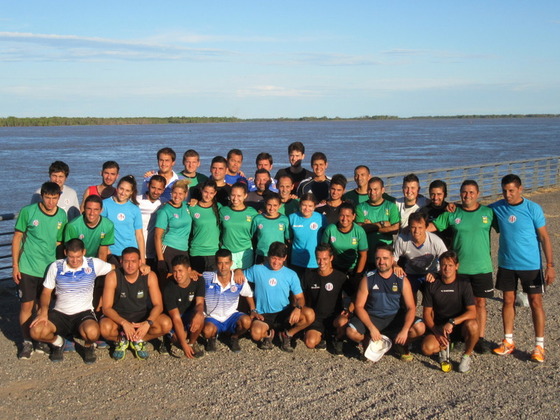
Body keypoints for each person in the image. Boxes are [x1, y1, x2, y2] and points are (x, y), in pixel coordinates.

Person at [489, 174, 555, 362]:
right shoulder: (497, 207)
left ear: (520, 189)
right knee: (507, 300)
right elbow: (477, 211)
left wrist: (550, 266)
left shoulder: (533, 208)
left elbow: (544, 237)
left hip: (531, 264)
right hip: (507, 263)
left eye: (511, 190)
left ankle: (539, 346)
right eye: (504, 190)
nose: (507, 194)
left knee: (536, 303)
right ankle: (508, 341)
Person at [430, 180, 494, 354]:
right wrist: (409, 231)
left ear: (478, 194)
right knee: (461, 304)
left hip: (482, 266)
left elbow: (508, 228)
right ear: (460, 194)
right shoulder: (453, 212)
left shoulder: (488, 212)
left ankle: (479, 338)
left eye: (472, 192)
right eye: (464, 192)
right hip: (460, 268)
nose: (468, 195)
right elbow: (431, 227)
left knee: (480, 303)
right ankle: (460, 337)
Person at [29, 239, 114, 364]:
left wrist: (141, 266)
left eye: (78, 257)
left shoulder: (93, 264)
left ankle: (88, 346)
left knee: (93, 332)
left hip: (83, 313)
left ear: (84, 252)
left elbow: (116, 268)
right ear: (65, 253)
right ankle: (58, 343)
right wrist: (43, 312)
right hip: (60, 313)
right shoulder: (56, 266)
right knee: (36, 331)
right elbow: (46, 292)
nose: (75, 261)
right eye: (71, 257)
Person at [13, 181, 68, 359]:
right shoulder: (28, 212)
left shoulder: (62, 215)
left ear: (59, 197)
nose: (50, 202)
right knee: (27, 305)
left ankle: (40, 339)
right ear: (42, 196)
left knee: (43, 305)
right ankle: (27, 341)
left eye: (54, 198)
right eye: (47, 197)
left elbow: (60, 243)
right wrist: (15, 265)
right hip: (28, 266)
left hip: (49, 269)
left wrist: (61, 267)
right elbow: (17, 238)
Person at [346, 244, 424, 361]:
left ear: (392, 259)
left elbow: (411, 307)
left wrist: (404, 330)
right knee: (350, 331)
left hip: (394, 316)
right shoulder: (368, 278)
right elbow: (359, 306)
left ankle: (398, 343)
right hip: (373, 317)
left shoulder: (401, 278)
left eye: (385, 258)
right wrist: (371, 328)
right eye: (378, 258)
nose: (381, 262)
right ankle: (370, 343)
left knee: (420, 328)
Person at [100, 247, 172, 360]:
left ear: (140, 262)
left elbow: (158, 305)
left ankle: (139, 340)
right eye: (127, 261)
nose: (130, 265)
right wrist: (124, 323)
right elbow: (106, 308)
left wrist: (148, 323)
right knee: (105, 328)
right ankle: (122, 340)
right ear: (121, 262)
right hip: (119, 317)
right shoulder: (113, 276)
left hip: (142, 317)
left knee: (166, 324)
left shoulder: (149, 276)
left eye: (133, 261)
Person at [244, 242, 315, 352]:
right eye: (273, 258)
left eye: (279, 259)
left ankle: (287, 334)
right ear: (268, 256)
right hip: (263, 315)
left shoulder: (291, 274)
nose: (276, 262)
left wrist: (298, 308)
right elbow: (239, 276)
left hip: (284, 313)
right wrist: (238, 271)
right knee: (255, 334)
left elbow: (300, 298)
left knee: (309, 314)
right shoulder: (257, 269)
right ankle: (269, 334)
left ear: (285, 258)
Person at [421, 251, 479, 373]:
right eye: (443, 265)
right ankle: (445, 345)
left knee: (473, 325)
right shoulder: (432, 284)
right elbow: (426, 313)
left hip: (459, 325)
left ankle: (466, 356)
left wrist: (453, 322)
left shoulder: (464, 283)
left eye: (450, 265)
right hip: (440, 327)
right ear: (440, 266)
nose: (447, 268)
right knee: (426, 348)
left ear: (457, 266)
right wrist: (437, 332)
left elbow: (472, 312)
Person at [64, 195, 115, 313]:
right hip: (77, 260)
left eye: (96, 209)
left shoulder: (108, 225)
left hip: (95, 259)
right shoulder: (73, 226)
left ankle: (98, 311)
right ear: (84, 209)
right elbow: (71, 253)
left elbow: (103, 252)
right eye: (89, 209)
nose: (92, 213)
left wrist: (97, 273)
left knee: (101, 282)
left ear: (101, 210)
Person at [202, 249, 257, 353]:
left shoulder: (239, 279)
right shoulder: (206, 278)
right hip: (212, 316)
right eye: (220, 263)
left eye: (226, 263)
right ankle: (212, 338)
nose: (223, 267)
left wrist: (253, 310)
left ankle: (234, 337)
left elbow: (248, 294)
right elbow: (192, 275)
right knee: (207, 331)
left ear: (231, 263)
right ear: (215, 263)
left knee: (246, 322)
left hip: (231, 315)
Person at [302, 245, 347, 350]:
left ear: (331, 258)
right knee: (309, 343)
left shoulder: (340, 277)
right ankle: (323, 337)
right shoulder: (309, 275)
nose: (321, 262)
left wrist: (348, 310)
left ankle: (336, 338)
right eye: (318, 258)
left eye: (325, 259)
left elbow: (354, 295)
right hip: (316, 318)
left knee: (343, 321)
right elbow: (300, 296)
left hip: (334, 317)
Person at [393, 212, 447, 297]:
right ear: (409, 227)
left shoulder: (436, 241)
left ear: (426, 227)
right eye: (413, 227)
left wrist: (437, 274)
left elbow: (446, 260)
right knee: (409, 298)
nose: (416, 231)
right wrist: (395, 266)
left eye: (420, 227)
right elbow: (393, 259)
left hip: (431, 273)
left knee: (432, 300)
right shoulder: (402, 239)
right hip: (411, 273)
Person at [163, 255, 206, 358]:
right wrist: (183, 344)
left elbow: (200, 304)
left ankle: (192, 343)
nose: (177, 275)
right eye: (174, 271)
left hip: (189, 313)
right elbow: (176, 318)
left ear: (189, 270)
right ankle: (170, 340)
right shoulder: (169, 288)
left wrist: (199, 313)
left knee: (200, 317)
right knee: (177, 339)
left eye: (180, 271)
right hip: (176, 316)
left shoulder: (199, 280)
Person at [321, 202, 368, 295]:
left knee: (354, 296)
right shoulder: (330, 229)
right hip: (335, 268)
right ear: (338, 215)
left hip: (352, 269)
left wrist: (357, 275)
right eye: (342, 215)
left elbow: (363, 255)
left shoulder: (359, 231)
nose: (345, 219)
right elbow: (324, 251)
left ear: (354, 216)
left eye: (348, 216)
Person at [355, 177, 400, 268]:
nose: (372, 192)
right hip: (367, 255)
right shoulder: (360, 207)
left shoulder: (391, 206)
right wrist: (382, 224)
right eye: (370, 189)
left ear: (383, 190)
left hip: (385, 257)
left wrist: (371, 226)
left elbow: (395, 229)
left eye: (375, 189)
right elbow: (360, 229)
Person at [154, 180, 192, 285]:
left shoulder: (186, 206)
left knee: (183, 282)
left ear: (185, 194)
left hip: (184, 250)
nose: (177, 196)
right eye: (174, 193)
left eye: (180, 193)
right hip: (168, 249)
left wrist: (195, 201)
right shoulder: (165, 210)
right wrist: (161, 260)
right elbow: (157, 236)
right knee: (169, 282)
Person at [101, 175, 145, 265]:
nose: (123, 193)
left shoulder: (134, 208)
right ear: (117, 188)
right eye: (121, 188)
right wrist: (106, 249)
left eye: (127, 190)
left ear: (131, 192)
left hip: (131, 253)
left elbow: (139, 236)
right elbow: (101, 230)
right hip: (111, 252)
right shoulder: (105, 204)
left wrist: (142, 260)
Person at [288, 193, 328, 280]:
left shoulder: (321, 218)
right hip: (296, 261)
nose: (307, 209)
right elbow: (289, 238)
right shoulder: (292, 218)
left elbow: (326, 237)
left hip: (315, 261)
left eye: (310, 206)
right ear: (300, 204)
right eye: (304, 205)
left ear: (314, 206)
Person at [219, 182, 258, 269]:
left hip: (246, 252)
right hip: (227, 252)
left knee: (243, 280)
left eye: (239, 196)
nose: (235, 198)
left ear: (245, 196)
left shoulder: (252, 213)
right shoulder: (223, 211)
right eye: (233, 195)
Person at [189, 179, 221, 273]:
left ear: (215, 193)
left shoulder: (219, 208)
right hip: (196, 252)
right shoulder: (192, 207)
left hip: (214, 253)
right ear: (201, 190)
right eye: (206, 192)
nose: (208, 195)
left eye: (211, 193)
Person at [251, 193, 290, 264]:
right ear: (265, 204)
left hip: (278, 256)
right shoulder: (258, 218)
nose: (272, 208)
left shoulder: (284, 219)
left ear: (280, 205)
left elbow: (288, 237)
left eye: (275, 205)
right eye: (269, 205)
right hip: (262, 254)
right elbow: (251, 235)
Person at [136, 175, 166, 270]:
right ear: (148, 185)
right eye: (153, 187)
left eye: (159, 189)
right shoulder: (136, 200)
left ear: (163, 190)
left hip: (153, 252)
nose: (156, 192)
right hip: (136, 249)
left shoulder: (164, 203)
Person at [418, 180, 453, 248]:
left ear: (445, 194)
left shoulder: (450, 209)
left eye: (439, 194)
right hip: (429, 249)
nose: (435, 197)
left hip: (447, 248)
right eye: (432, 194)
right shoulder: (424, 211)